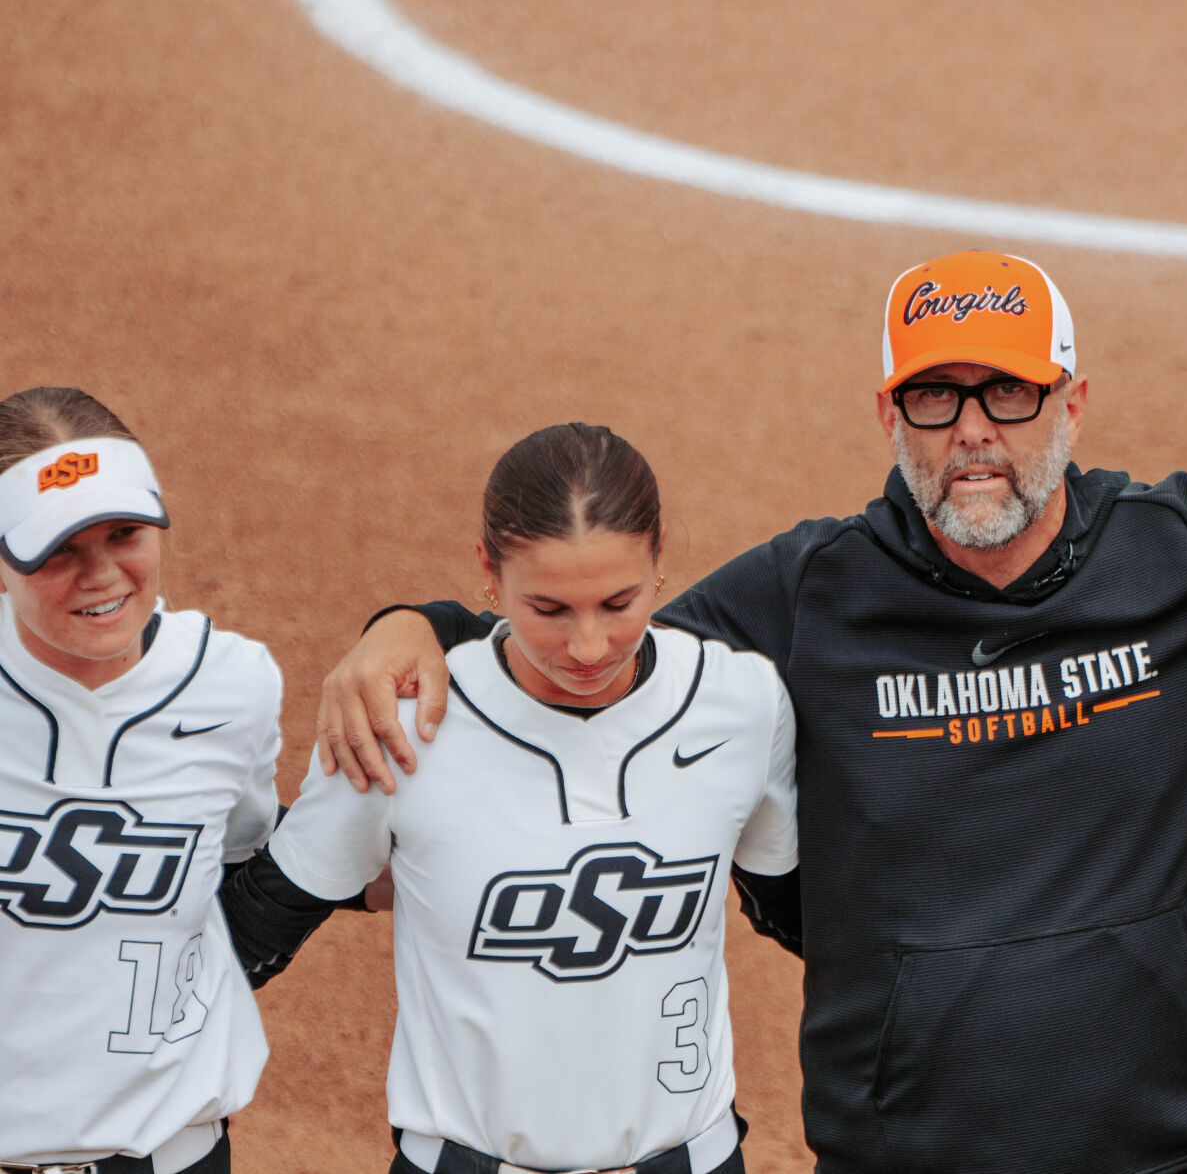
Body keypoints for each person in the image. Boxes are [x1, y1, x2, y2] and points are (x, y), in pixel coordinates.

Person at [314, 251, 1187, 1174]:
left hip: (1162, 1145)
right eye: (932, 400)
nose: (971, 436)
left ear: (1071, 397)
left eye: (1003, 395)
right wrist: (419, 624)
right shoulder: (808, 592)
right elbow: (590, 645)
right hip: (906, 1148)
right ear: (887, 418)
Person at [223, 423, 797, 1174]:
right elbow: (251, 930)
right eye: (549, 609)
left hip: (690, 1158)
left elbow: (800, 909)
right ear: (487, 573)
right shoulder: (403, 723)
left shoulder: (742, 705)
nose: (588, 647)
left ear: (661, 557)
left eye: (618, 602)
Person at [0, 386, 280, 1174]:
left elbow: (238, 851)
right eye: (58, 550)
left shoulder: (232, 686)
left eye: (123, 533)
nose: (101, 575)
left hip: (170, 1156)